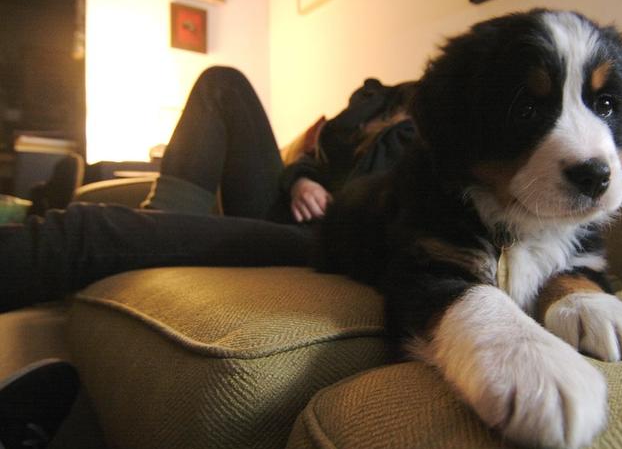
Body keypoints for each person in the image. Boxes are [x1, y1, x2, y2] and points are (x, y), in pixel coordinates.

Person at [0, 67, 417, 313]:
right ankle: (155, 215)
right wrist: (301, 180)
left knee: (90, 229)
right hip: (284, 204)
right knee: (222, 83)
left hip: (323, 238)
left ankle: (129, 221)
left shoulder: (444, 136)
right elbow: (313, 159)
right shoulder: (380, 99)